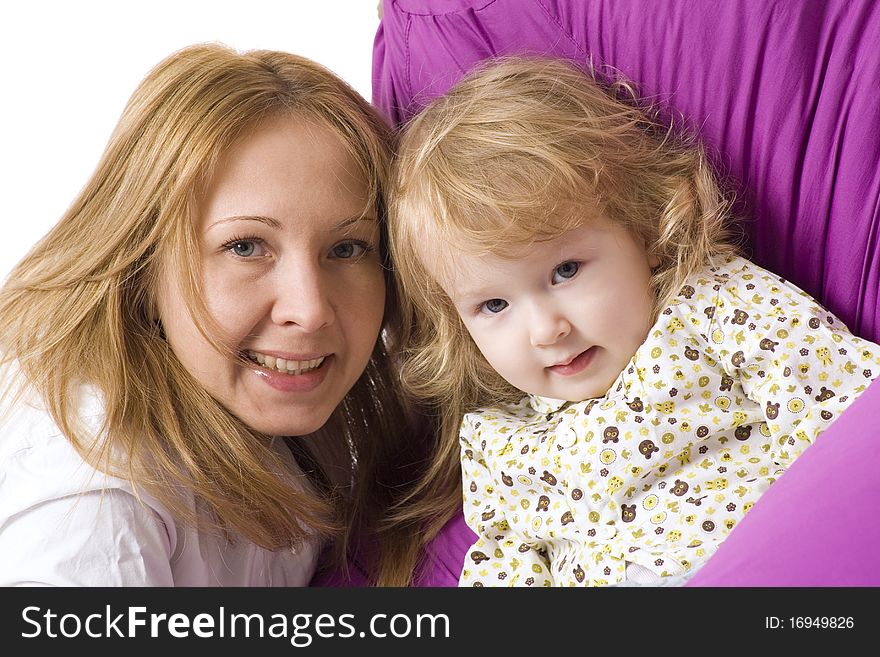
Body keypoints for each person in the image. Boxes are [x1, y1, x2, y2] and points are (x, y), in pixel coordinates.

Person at [386, 57, 880, 586]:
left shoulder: (710, 306)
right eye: (494, 306)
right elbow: (504, 564)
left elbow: (838, 406)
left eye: (565, 270)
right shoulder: (495, 441)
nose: (545, 330)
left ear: (640, 228)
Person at [0, 43, 423, 586]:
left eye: (347, 249)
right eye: (246, 247)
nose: (310, 310)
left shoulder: (279, 430)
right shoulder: (94, 497)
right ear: (142, 258)